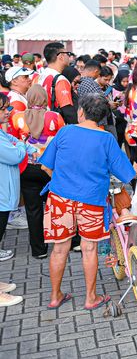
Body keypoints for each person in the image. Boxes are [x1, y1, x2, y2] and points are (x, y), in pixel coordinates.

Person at [41, 94, 137, 310]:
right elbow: (126, 174)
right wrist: (136, 170)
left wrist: (63, 182)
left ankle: (54, 296)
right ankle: (91, 298)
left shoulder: (65, 131)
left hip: (60, 199)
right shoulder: (106, 139)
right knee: (89, 248)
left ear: (81, 111)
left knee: (59, 248)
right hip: (92, 201)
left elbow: (45, 166)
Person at [9, 85, 65, 259]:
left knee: (33, 210)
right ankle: (65, 242)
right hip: (50, 169)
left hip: (27, 168)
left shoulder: (17, 118)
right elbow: (63, 140)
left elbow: (13, 141)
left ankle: (38, 250)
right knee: (57, 206)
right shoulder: (55, 117)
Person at [0, 93, 38, 307]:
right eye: (4, 109)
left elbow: (14, 142)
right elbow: (15, 154)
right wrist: (23, 145)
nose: (8, 112)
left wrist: (22, 145)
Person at [37, 42, 77, 124]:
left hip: (42, 122)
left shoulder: (40, 75)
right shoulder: (61, 80)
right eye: (68, 54)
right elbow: (67, 110)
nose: (69, 56)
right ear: (61, 56)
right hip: (57, 124)